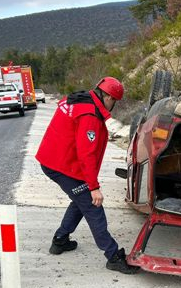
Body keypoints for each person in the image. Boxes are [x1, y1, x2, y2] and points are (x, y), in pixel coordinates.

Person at [35, 77, 137, 274]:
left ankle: (60, 240)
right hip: (62, 165)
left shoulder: (80, 99)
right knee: (92, 205)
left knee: (80, 200)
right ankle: (113, 256)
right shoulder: (89, 115)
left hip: (56, 159)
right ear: (107, 96)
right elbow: (86, 154)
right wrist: (93, 186)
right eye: (114, 100)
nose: (114, 105)